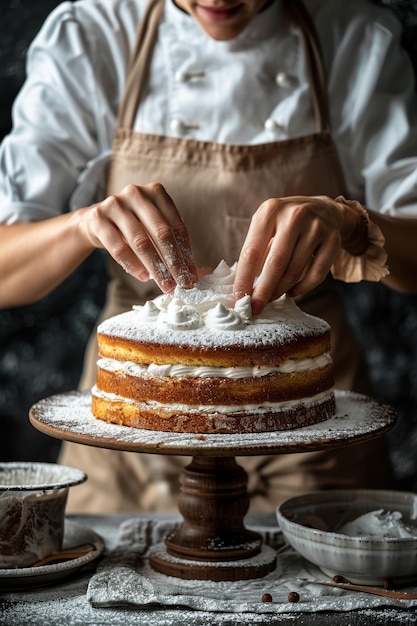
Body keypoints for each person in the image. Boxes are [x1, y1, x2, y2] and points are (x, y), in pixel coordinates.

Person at [1, 0, 417, 513]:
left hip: (310, 439)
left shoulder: (354, 36)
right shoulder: (92, 34)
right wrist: (81, 225)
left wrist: (353, 223)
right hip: (132, 431)